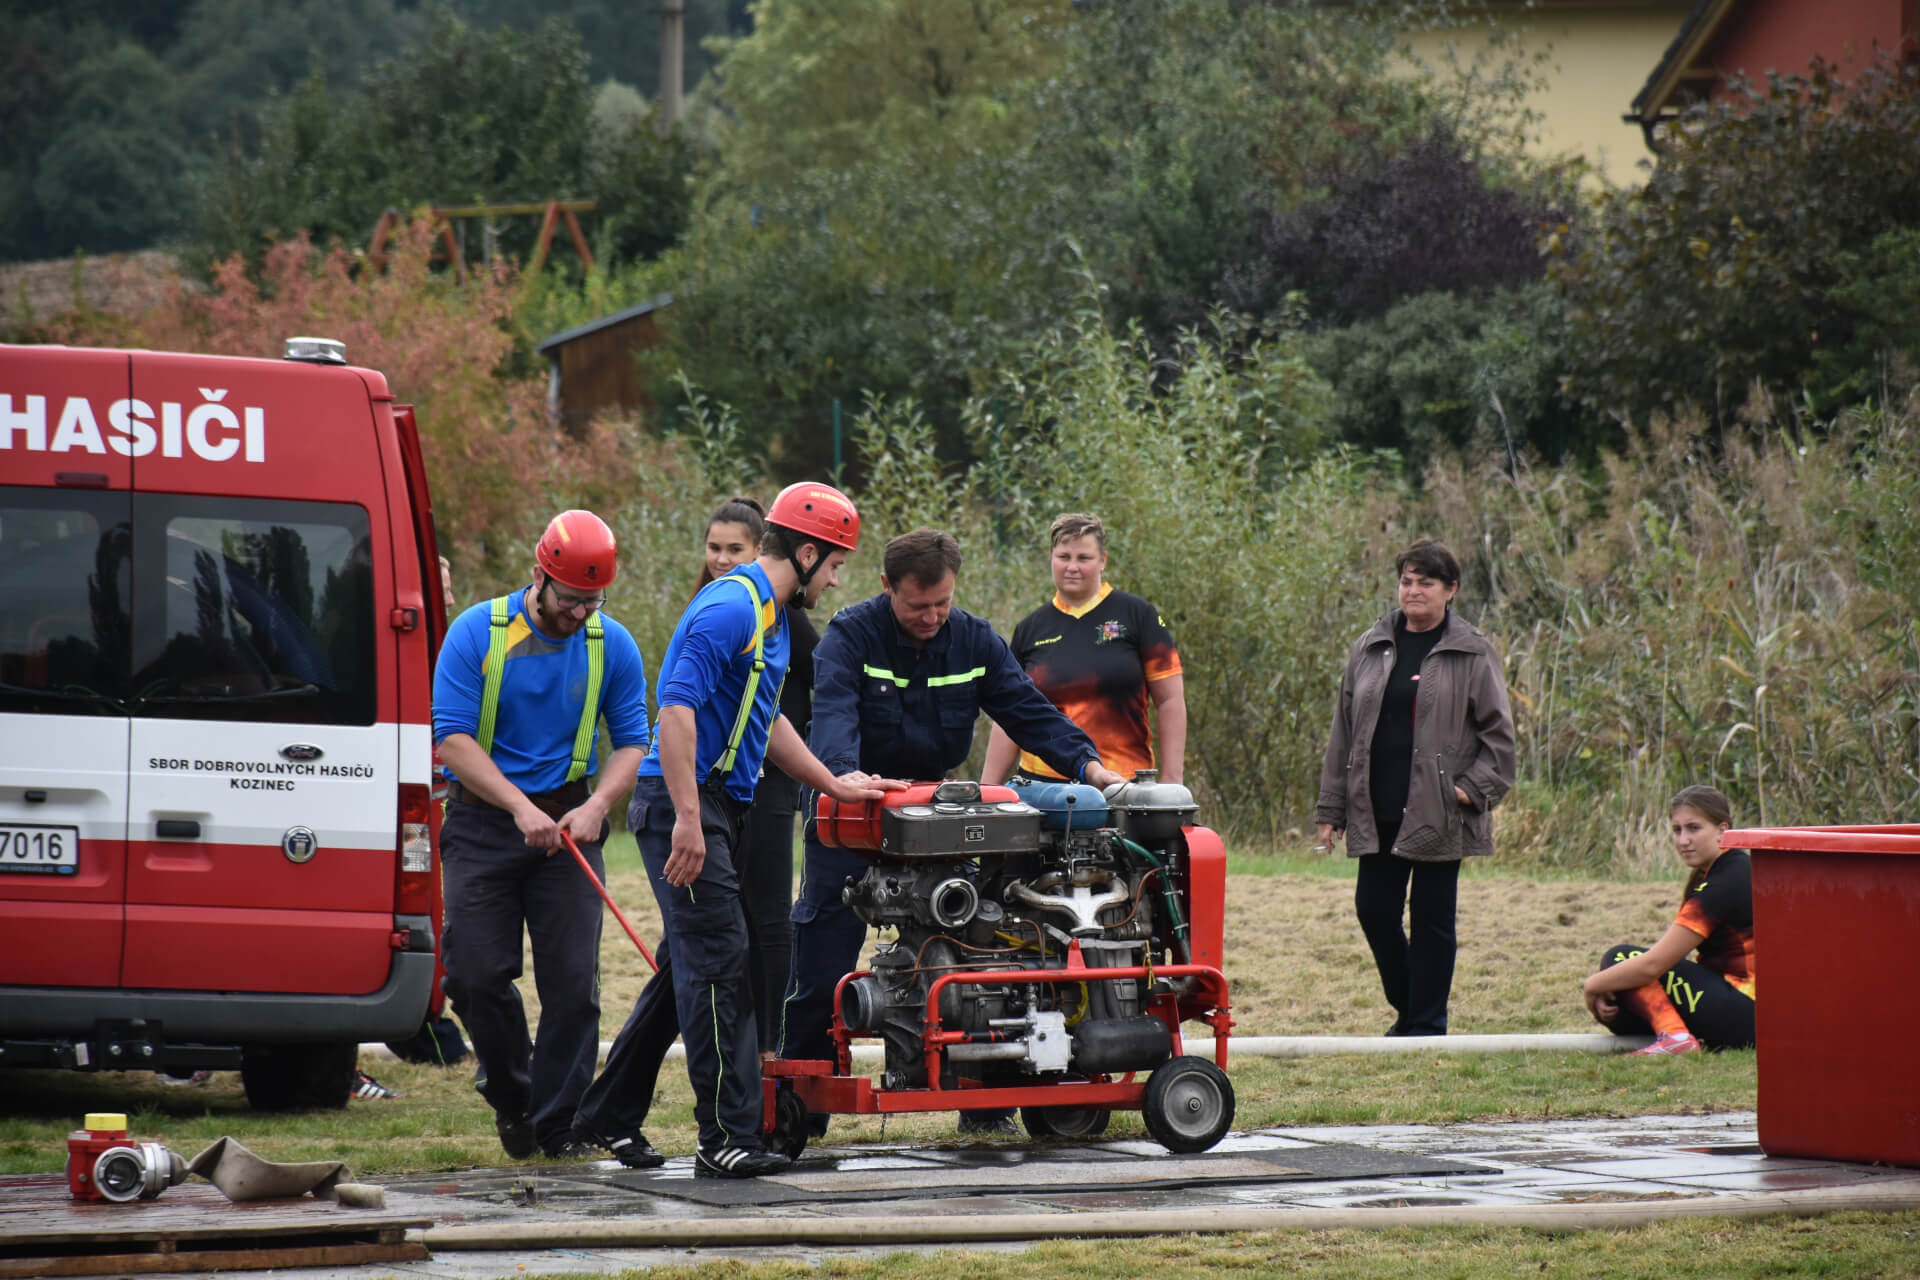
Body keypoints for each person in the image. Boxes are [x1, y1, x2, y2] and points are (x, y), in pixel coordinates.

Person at [574, 482, 900, 1179]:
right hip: (683, 805)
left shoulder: (772, 616)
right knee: (721, 964)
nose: (837, 579)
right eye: (835, 564)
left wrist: (833, 783)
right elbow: (675, 710)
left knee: (693, 961)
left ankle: (607, 1113)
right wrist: (690, 821)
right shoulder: (730, 608)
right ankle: (726, 1138)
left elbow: (768, 719)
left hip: (721, 804)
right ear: (806, 554)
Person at [778, 528, 1127, 1136]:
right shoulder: (849, 637)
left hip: (939, 817)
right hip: (854, 812)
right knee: (822, 958)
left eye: (942, 603)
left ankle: (986, 1103)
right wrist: (842, 776)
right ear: (887, 587)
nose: (932, 616)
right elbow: (832, 713)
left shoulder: (975, 640)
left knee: (979, 948)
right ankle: (797, 1111)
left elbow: (1028, 711)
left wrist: (1092, 768)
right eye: (918, 605)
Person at [432, 510, 651, 1160]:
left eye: (593, 600)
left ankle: (558, 1127)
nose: (579, 613)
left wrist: (599, 806)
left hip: (571, 824)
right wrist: (518, 807)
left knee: (574, 987)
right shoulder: (478, 633)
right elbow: (452, 738)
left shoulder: (613, 646)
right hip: (482, 821)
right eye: (569, 599)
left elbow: (632, 741)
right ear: (539, 576)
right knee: (474, 976)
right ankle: (513, 1094)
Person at [1314, 538, 1514, 1037]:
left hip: (1439, 810)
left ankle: (1425, 1025)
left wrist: (1468, 791)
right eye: (1406, 581)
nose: (1413, 591)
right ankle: (1412, 1009)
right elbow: (1343, 732)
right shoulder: (1371, 645)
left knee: (1432, 921)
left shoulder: (1473, 651)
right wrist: (1331, 808)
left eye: (1426, 582)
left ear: (1451, 590)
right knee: (1374, 911)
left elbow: (1500, 739)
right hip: (1376, 806)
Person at [697, 498, 818, 1059]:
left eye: (735, 550)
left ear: (760, 552)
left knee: (767, 911)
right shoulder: (715, 605)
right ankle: (727, 1036)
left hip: (768, 780)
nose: (722, 560)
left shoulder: (785, 616)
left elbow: (826, 680)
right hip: (715, 782)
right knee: (716, 917)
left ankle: (772, 1043)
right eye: (714, 548)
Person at [982, 512, 1186, 787]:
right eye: (1064, 557)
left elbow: (1170, 700)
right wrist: (988, 789)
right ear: (1051, 558)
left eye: (1084, 558)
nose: (1072, 567)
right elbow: (1010, 713)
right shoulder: (1030, 628)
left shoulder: (1139, 615)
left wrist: (1173, 780)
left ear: (1103, 560)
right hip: (1042, 789)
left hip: (1122, 786)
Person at [1582, 785, 1755, 1056]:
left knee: (1619, 958)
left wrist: (1592, 986)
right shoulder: (1733, 869)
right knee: (1622, 998)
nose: (1683, 840)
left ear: (1723, 830)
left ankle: (1676, 1040)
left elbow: (1653, 965)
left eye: (1694, 828)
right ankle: (1673, 1036)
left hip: (1745, 1012)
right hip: (1748, 1012)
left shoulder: (1722, 883)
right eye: (1677, 830)